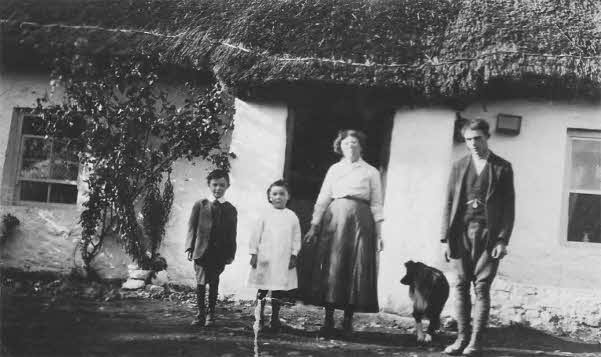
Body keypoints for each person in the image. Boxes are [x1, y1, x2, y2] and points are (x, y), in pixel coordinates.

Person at [441, 119, 515, 356]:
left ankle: (476, 342)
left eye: (478, 138)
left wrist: (502, 240)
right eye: (469, 139)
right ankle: (461, 339)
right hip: (460, 233)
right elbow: (449, 203)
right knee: (460, 286)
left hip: (488, 235)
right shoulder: (458, 166)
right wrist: (445, 238)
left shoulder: (502, 167)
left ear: (487, 137)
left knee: (481, 287)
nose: (473, 143)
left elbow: (508, 208)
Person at [302, 129, 384, 335]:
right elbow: (323, 198)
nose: (350, 147)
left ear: (361, 146)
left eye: (354, 143)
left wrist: (379, 234)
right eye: (346, 143)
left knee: (354, 266)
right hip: (335, 220)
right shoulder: (334, 170)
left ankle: (347, 320)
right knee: (333, 265)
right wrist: (314, 225)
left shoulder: (371, 172)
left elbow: (376, 204)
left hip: (360, 221)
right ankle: (328, 319)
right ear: (340, 146)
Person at [247, 179, 301, 332]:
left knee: (278, 290)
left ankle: (275, 318)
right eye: (275, 194)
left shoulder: (292, 216)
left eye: (282, 194)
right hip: (265, 258)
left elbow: (296, 237)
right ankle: (259, 317)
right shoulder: (264, 215)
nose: (278, 197)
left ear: (288, 196)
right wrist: (253, 253)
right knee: (262, 288)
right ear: (269, 197)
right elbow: (255, 235)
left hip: (282, 259)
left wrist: (294, 255)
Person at [186, 169, 237, 327]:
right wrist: (189, 247)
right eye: (215, 185)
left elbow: (232, 233)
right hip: (201, 251)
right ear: (209, 185)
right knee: (201, 284)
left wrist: (230, 253)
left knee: (214, 283)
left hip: (219, 253)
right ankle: (200, 314)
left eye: (222, 185)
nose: (218, 188)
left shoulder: (230, 209)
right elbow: (191, 227)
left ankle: (211, 315)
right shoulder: (200, 205)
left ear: (227, 186)